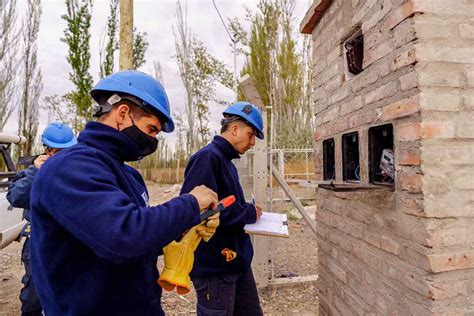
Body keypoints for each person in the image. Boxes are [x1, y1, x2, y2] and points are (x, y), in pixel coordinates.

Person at [29, 70, 218, 315]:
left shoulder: (127, 175)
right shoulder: (69, 168)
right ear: (123, 114)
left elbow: (134, 235)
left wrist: (180, 231)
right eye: (151, 129)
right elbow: (123, 237)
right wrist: (190, 204)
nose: (153, 141)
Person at [180, 101, 265, 315]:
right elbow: (203, 213)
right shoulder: (207, 158)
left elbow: (225, 203)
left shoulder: (225, 160)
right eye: (252, 134)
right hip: (215, 268)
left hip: (235, 263)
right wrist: (248, 212)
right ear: (235, 129)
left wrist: (246, 209)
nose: (253, 142)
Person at [7, 122, 77, 316]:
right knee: (34, 297)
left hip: (70, 239)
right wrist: (35, 171)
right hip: (38, 240)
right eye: (57, 151)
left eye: (66, 151)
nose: (62, 156)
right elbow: (16, 197)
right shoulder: (33, 171)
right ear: (47, 150)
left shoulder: (78, 170)